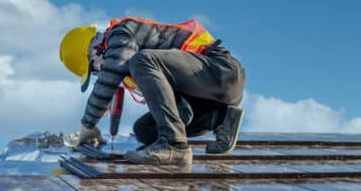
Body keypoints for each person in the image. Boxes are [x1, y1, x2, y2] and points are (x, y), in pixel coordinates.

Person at [59, 17, 245, 165]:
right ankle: (220, 118)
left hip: (222, 71)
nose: (98, 73)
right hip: (208, 95)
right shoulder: (123, 49)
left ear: (94, 50)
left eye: (93, 69)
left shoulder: (122, 33)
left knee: (142, 60)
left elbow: (109, 77)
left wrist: (88, 126)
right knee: (144, 130)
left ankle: (174, 145)